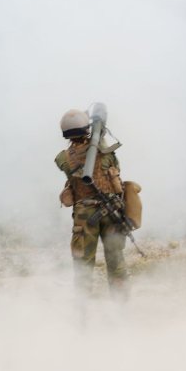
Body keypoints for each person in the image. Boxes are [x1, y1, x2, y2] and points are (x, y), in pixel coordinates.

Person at [55, 107, 130, 296]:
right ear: (86, 128)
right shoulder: (105, 151)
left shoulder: (63, 158)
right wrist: (99, 132)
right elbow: (114, 166)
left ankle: (82, 313)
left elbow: (77, 164)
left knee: (83, 265)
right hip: (111, 209)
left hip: (84, 215)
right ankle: (121, 308)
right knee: (116, 260)